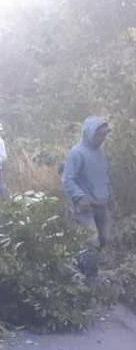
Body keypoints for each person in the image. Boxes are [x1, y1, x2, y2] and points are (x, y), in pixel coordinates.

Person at [62, 116, 111, 278]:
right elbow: (67, 179)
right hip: (85, 206)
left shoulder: (100, 152)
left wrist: (108, 194)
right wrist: (80, 197)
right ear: (89, 133)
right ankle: (91, 279)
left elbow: (103, 175)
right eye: (99, 135)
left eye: (104, 135)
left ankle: (78, 265)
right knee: (91, 242)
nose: (102, 138)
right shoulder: (76, 153)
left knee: (104, 239)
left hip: (101, 204)